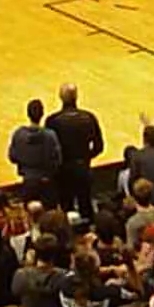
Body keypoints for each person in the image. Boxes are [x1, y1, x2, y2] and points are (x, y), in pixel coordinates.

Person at [44, 83, 103, 221]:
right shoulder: (89, 117)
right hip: (83, 168)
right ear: (76, 96)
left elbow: (49, 150)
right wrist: (85, 158)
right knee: (86, 206)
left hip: (63, 171)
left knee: (65, 207)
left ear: (60, 97)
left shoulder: (52, 121)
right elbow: (99, 146)